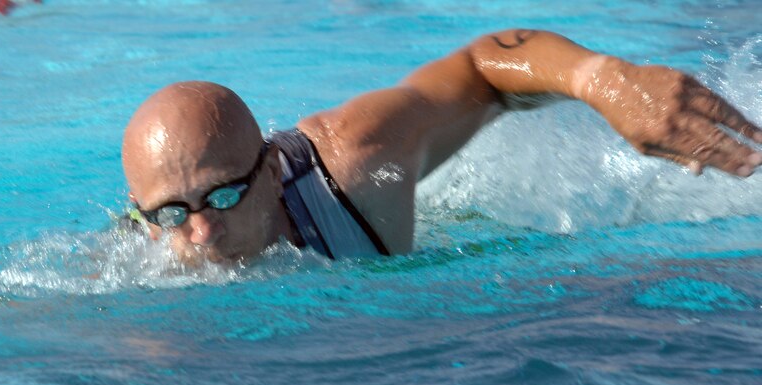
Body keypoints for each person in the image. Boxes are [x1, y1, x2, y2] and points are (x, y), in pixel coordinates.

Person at [121, 29, 762, 265]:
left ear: (266, 170)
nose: (200, 233)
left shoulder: (354, 161)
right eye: (173, 213)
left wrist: (605, 81)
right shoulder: (145, 252)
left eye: (224, 196)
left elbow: (483, 67)